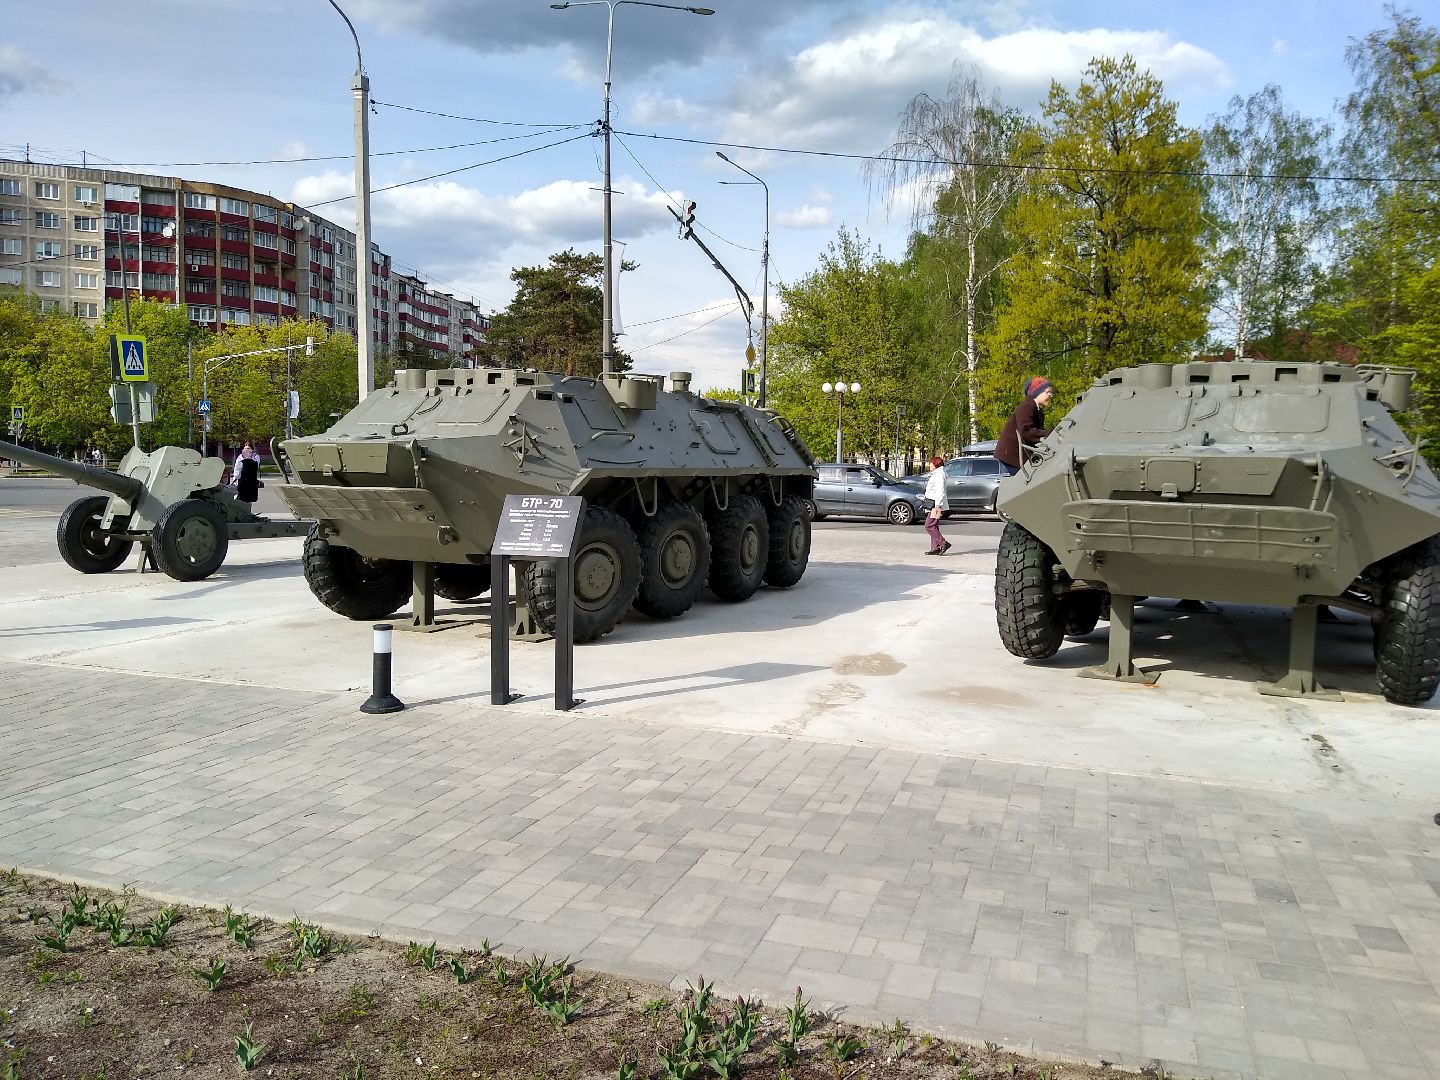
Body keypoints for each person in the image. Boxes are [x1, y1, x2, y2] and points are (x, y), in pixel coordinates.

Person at [994, 376, 1055, 475]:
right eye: (1048, 392)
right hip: (1011, 457)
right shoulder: (1027, 406)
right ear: (1037, 392)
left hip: (1016, 457)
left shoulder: (1036, 409)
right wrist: (1049, 434)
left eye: (1051, 393)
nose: (1050, 396)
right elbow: (1025, 431)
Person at [922, 455, 951, 555]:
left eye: (930, 464)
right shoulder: (937, 474)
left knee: (929, 525)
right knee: (934, 525)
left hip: (936, 505)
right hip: (934, 504)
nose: (929, 465)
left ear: (935, 464)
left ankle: (943, 543)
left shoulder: (939, 475)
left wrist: (937, 505)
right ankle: (936, 548)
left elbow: (940, 491)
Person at [232, 441, 260, 507]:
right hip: (242, 480)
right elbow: (237, 468)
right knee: (241, 497)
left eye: (248, 448)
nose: (246, 450)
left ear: (252, 450)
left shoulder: (255, 456)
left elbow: (256, 466)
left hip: (251, 480)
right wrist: (235, 478)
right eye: (245, 448)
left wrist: (248, 458)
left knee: (250, 497)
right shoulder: (240, 457)